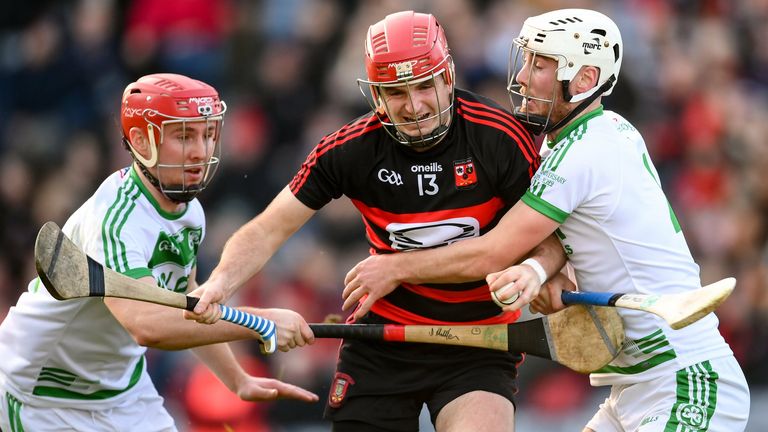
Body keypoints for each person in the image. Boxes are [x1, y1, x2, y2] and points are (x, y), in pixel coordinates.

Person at [342, 8, 751, 432]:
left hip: (685, 380)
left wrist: (394, 267)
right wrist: (537, 271)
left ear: (584, 80)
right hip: (632, 388)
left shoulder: (582, 154)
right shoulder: (593, 135)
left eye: (539, 65)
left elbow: (494, 250)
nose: (520, 78)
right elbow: (565, 239)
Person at [186, 10, 567, 432]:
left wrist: (541, 269)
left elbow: (550, 241)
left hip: (477, 343)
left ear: (448, 77)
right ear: (376, 95)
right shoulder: (350, 149)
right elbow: (267, 228)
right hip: (383, 341)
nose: (415, 105)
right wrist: (219, 284)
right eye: (397, 92)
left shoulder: (501, 137)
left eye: (425, 86)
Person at [0, 73, 318, 431]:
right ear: (140, 140)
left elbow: (188, 300)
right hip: (43, 394)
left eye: (208, 134)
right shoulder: (115, 220)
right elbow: (147, 325)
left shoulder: (189, 212)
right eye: (184, 136)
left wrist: (237, 380)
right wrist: (259, 323)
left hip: (123, 391)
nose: (202, 150)